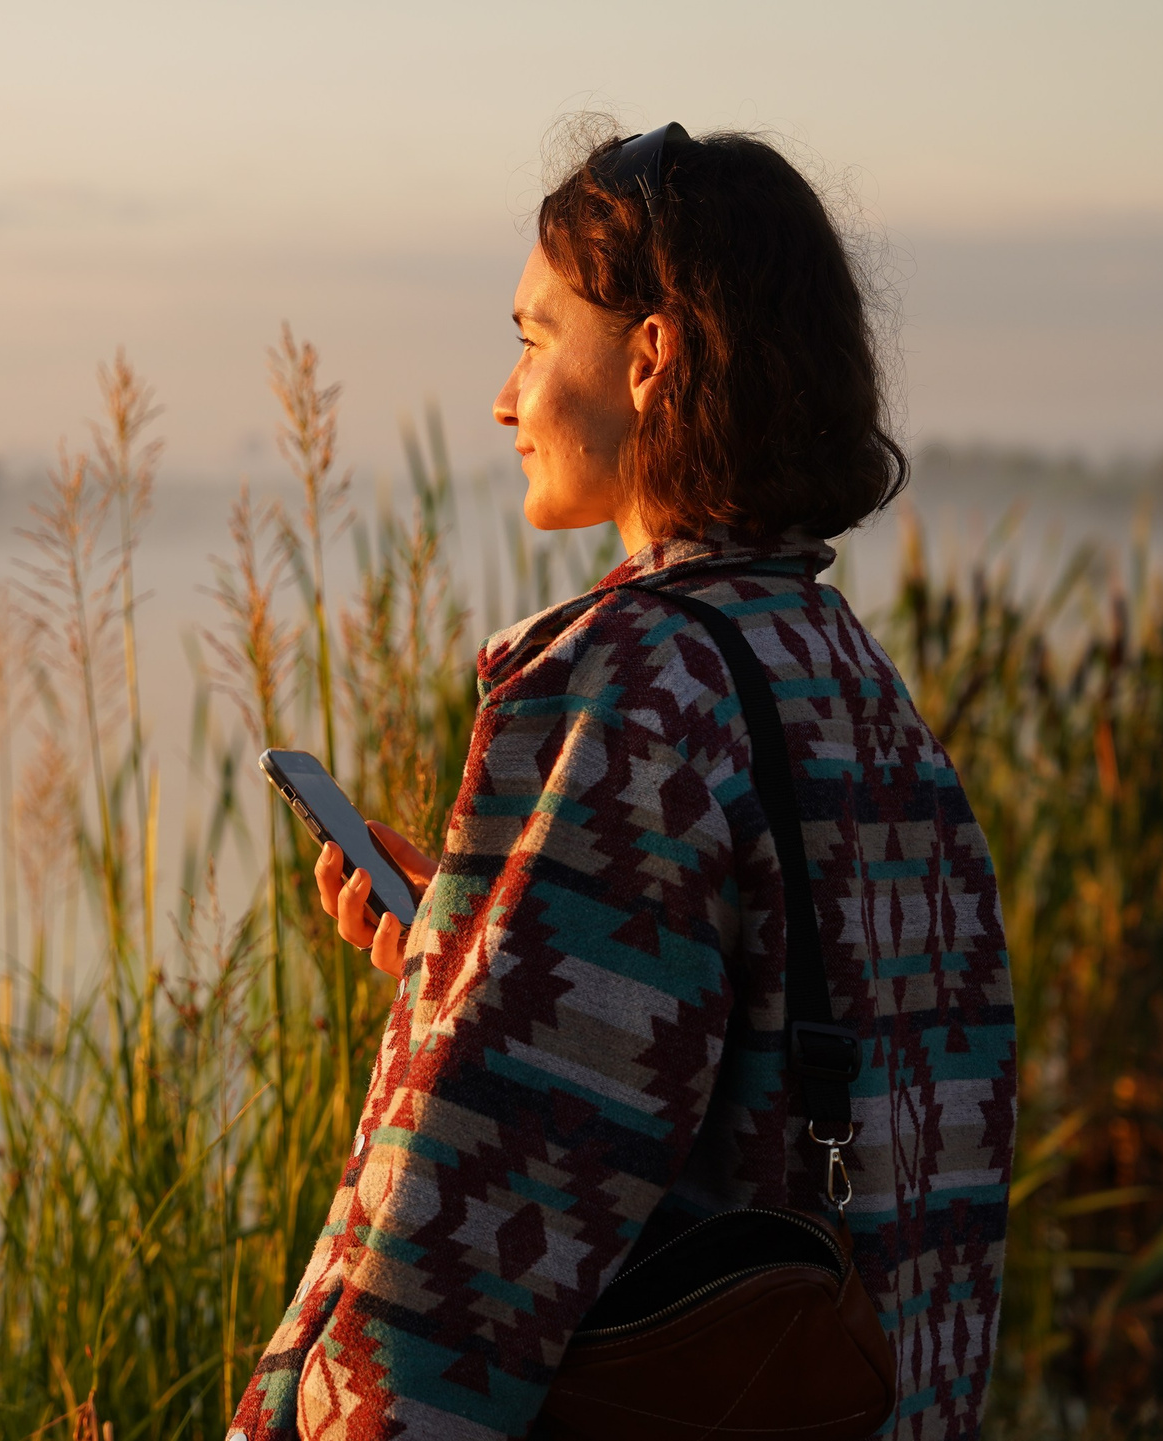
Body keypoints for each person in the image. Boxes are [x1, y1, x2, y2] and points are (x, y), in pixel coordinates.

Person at [225, 122, 1017, 1441]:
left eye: (535, 339)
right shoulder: (864, 700)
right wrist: (471, 955)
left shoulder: (629, 690)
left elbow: (465, 1255)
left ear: (650, 357)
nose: (504, 394)